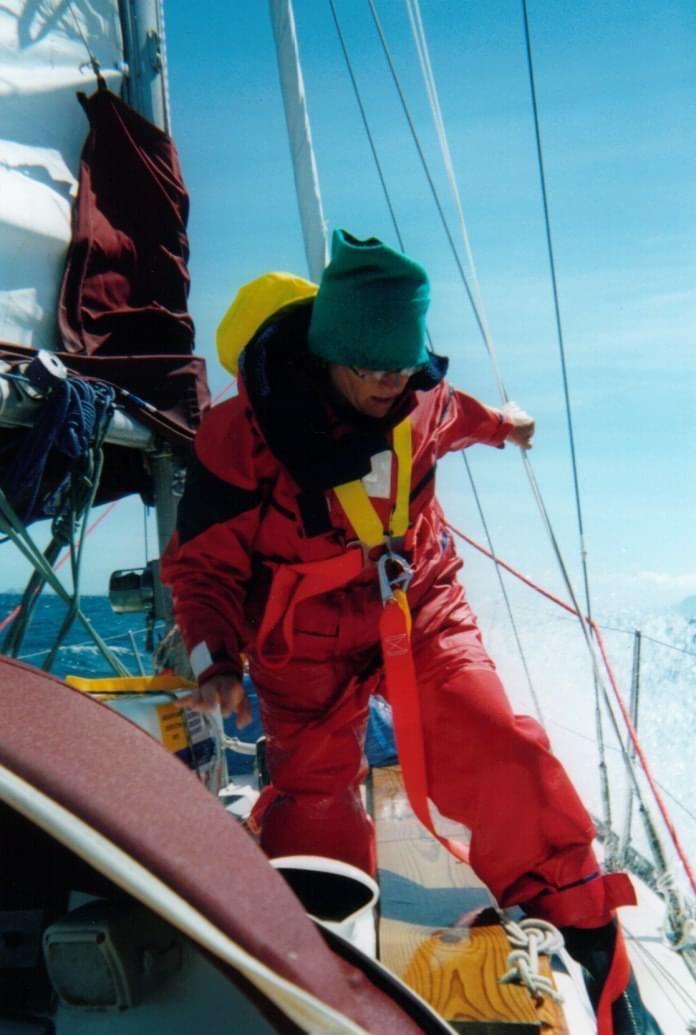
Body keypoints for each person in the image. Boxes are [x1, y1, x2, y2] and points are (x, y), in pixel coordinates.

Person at [161, 229, 662, 1035]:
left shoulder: (418, 395)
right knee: (313, 804)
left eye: (404, 368)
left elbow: (466, 417)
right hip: (304, 642)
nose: (390, 385)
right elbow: (200, 570)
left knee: (500, 747)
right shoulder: (236, 440)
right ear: (327, 355)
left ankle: (592, 946)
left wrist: (511, 427)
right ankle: (320, 979)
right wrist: (216, 656)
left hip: (420, 605)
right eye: (372, 369)